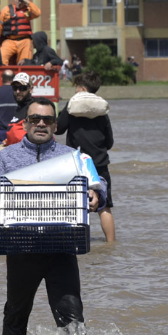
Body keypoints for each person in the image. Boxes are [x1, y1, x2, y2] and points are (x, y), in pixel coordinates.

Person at [0, 98, 106, 335]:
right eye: (35, 119)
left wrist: (97, 195)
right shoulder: (7, 157)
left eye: (47, 120)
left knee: (72, 318)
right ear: (25, 124)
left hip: (63, 246)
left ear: (56, 126)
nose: (41, 124)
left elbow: (98, 182)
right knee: (16, 314)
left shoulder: (73, 157)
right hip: (20, 246)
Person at [55, 70, 116, 242]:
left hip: (76, 164)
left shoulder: (71, 106)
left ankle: (76, 243)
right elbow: (110, 141)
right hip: (100, 163)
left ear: (81, 88)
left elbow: (58, 128)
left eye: (76, 87)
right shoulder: (102, 111)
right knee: (105, 207)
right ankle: (111, 245)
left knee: (75, 205)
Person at [0, 0, 41, 66]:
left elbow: (37, 13)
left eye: (22, 1)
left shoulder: (28, 11)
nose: (19, 2)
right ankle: (5, 74)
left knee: (25, 62)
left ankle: (22, 75)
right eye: (18, 0)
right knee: (1, 56)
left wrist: (27, 1)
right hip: (9, 40)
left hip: (25, 41)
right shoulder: (6, 10)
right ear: (15, 0)